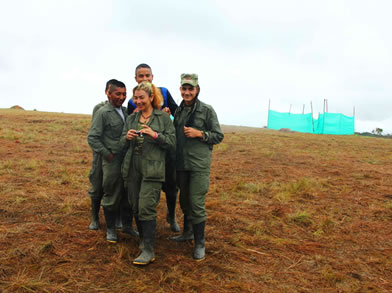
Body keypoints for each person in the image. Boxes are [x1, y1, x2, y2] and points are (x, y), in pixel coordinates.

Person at [121, 82, 176, 265]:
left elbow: (172, 142)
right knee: (135, 205)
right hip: (133, 166)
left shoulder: (162, 118)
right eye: (135, 98)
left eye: (141, 98)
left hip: (153, 167)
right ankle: (144, 241)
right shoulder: (131, 118)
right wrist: (126, 137)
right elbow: (122, 141)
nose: (138, 101)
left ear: (151, 97)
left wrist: (155, 135)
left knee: (146, 206)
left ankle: (148, 250)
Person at [171, 73, 224, 261]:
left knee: (196, 203)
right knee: (184, 201)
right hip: (181, 164)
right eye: (184, 89)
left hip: (198, 165)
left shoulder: (207, 110)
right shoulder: (178, 111)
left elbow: (218, 135)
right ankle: (187, 233)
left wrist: (199, 133)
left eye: (190, 89)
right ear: (180, 89)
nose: (187, 92)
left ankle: (200, 243)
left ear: (197, 90)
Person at [128, 63, 180, 233]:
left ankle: (171, 216)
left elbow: (177, 113)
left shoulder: (163, 92)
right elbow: (130, 122)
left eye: (147, 75)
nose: (145, 79)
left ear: (153, 77)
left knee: (171, 186)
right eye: (141, 76)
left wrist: (168, 113)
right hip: (146, 152)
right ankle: (142, 221)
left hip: (166, 149)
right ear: (136, 79)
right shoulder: (133, 100)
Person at [88, 80, 137, 243]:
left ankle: (125, 225)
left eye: (124, 94)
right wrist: (107, 155)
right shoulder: (103, 112)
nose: (122, 97)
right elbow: (93, 138)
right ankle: (110, 230)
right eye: (118, 94)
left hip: (126, 159)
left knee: (125, 193)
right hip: (111, 160)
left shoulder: (125, 111)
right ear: (108, 93)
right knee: (111, 192)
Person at [87, 79, 114, 230]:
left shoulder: (121, 109)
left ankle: (115, 218)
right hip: (100, 154)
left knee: (113, 186)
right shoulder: (100, 108)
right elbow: (94, 134)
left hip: (114, 155)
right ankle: (95, 218)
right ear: (106, 92)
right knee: (97, 186)